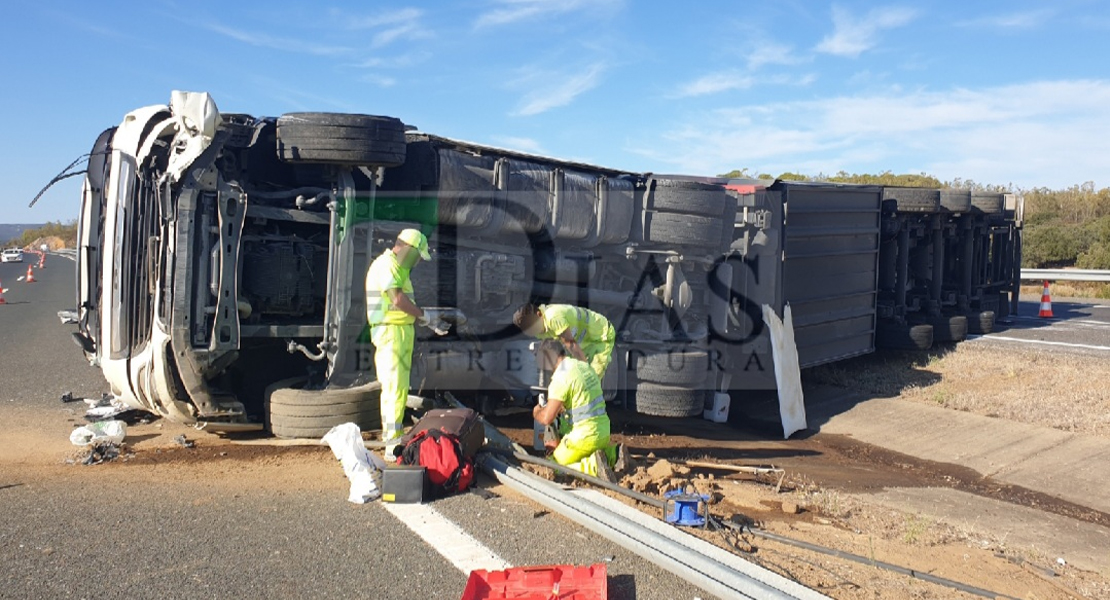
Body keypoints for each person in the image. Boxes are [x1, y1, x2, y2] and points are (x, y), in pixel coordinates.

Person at [365, 228, 449, 458]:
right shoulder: (387, 266)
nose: (419, 261)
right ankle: (392, 445)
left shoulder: (397, 268)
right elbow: (398, 299)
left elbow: (402, 305)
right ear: (408, 249)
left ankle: (394, 439)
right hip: (391, 333)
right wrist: (425, 317)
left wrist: (426, 321)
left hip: (398, 332)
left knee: (398, 389)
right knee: (394, 388)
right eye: (417, 255)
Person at [532, 340, 622, 482]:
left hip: (585, 437)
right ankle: (614, 454)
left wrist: (537, 412)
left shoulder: (560, 378)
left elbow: (546, 419)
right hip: (603, 432)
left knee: (553, 465)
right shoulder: (583, 366)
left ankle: (592, 467)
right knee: (580, 449)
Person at [513, 303, 616, 380]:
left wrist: (585, 371)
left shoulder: (553, 317)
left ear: (539, 314)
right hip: (583, 343)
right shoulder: (538, 330)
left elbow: (571, 344)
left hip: (601, 336)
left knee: (590, 380)